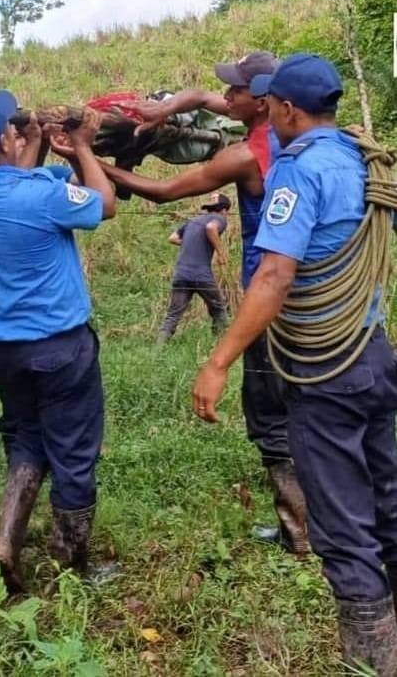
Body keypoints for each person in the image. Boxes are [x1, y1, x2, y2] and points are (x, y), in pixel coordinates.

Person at [193, 53, 397, 674]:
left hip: (324, 368)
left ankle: (374, 662)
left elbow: (276, 274)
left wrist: (220, 360)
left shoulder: (296, 170)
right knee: (389, 498)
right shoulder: (364, 157)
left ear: (284, 108)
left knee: (341, 525)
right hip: (374, 353)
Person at [98, 51, 309, 555]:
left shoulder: (249, 155)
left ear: (264, 103)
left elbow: (165, 191)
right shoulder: (305, 129)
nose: (226, 97)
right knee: (312, 407)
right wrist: (168, 108)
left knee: (270, 415)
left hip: (271, 299)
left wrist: (90, 161)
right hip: (318, 296)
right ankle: (324, 516)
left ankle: (300, 530)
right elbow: (204, 98)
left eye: (236, 91)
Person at [0, 90, 116, 593]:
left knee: (26, 439)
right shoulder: (38, 197)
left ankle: (5, 543)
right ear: (4, 138)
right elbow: (103, 205)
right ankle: (72, 563)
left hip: (7, 351)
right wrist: (82, 146)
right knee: (74, 451)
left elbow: (15, 177)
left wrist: (35, 141)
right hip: (62, 349)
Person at [158, 192, 230, 342]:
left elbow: (173, 238)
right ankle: (219, 343)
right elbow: (211, 228)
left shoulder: (193, 221)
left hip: (181, 274)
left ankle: (158, 349)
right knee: (218, 310)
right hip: (201, 275)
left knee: (173, 314)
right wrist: (221, 253)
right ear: (224, 210)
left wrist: (194, 242)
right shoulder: (219, 219)